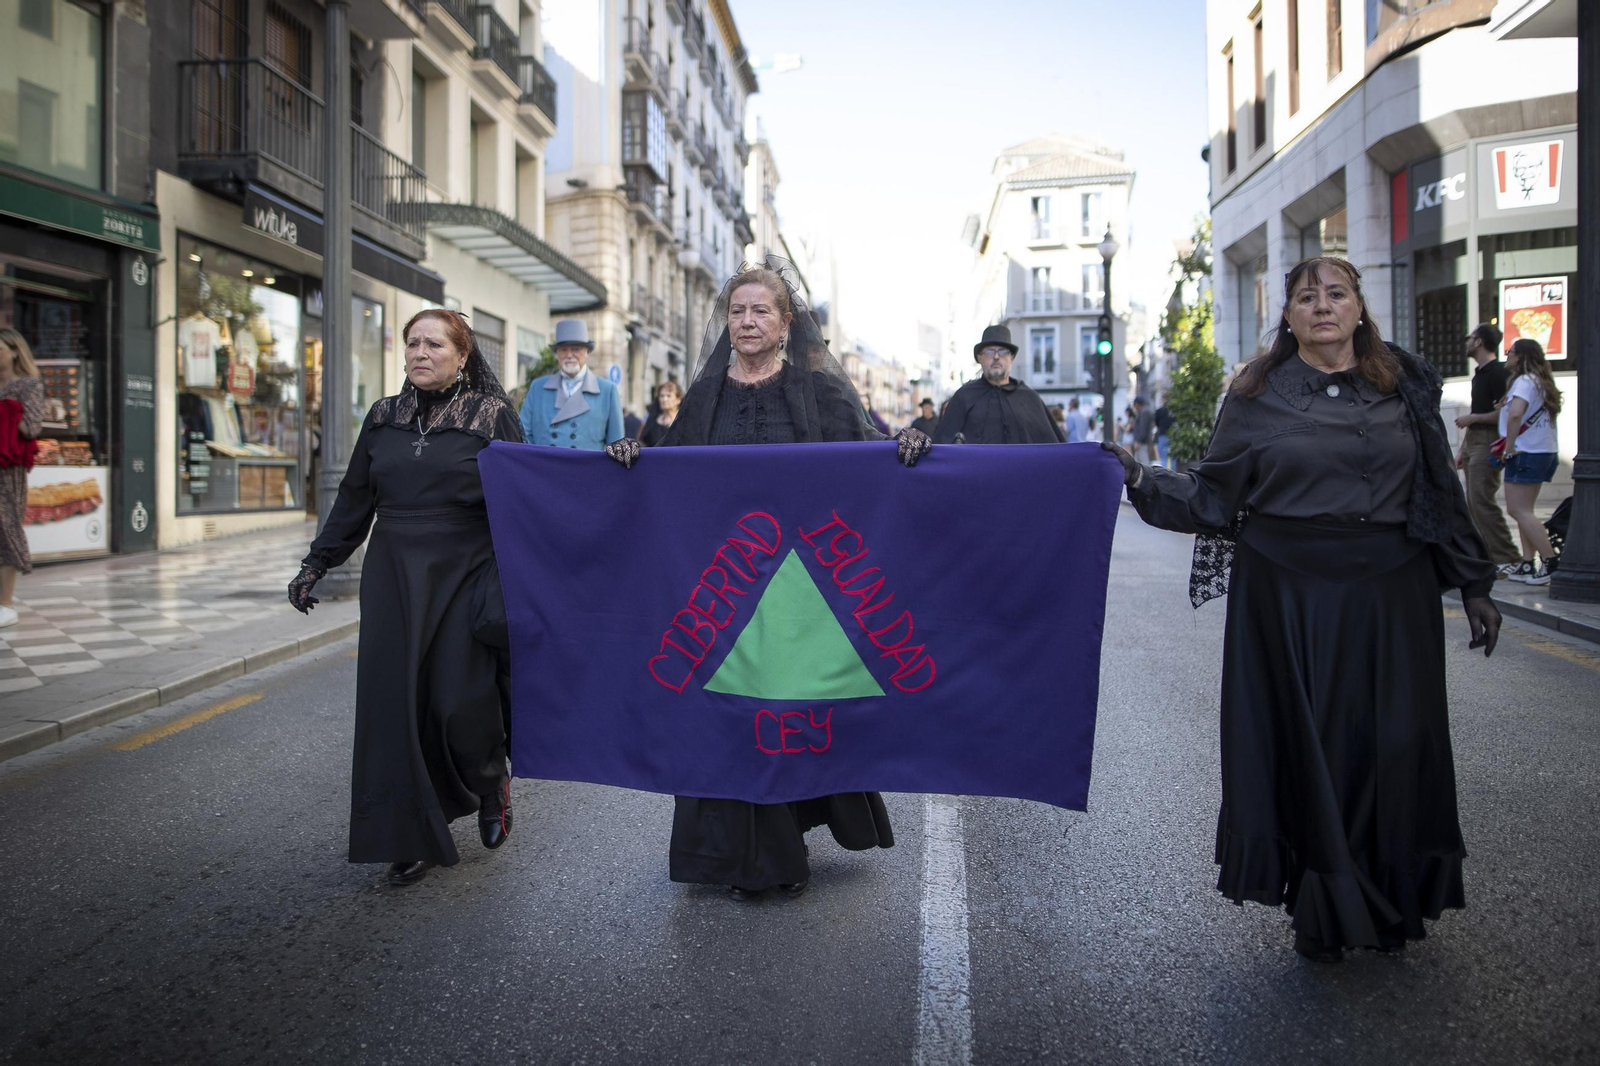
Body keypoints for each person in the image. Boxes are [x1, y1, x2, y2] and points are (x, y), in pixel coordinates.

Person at [1104, 256, 1500, 962]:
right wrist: (1137, 476)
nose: (1323, 306)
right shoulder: (1257, 394)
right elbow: (1213, 495)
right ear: (1286, 315)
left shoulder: (1404, 381)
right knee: (1315, 750)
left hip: (1393, 595)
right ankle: (1324, 903)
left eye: (1337, 294)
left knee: (1395, 744)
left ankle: (1390, 893)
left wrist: (1474, 584)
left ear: (1358, 308)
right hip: (1289, 595)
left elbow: (1439, 485)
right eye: (1307, 297)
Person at [605, 257, 930, 900]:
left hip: (796, 587)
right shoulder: (706, 395)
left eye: (761, 311)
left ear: (785, 324)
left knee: (780, 712)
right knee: (726, 713)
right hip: (724, 584)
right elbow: (670, 476)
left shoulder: (820, 390)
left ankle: (779, 847)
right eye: (737, 311)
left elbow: (866, 454)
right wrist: (633, 458)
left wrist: (904, 450)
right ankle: (739, 854)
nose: (747, 321)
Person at [288, 309, 525, 887]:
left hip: (466, 574)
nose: (421, 352)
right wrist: (317, 561)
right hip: (393, 576)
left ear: (462, 356)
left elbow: (530, 491)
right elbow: (355, 497)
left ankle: (490, 781)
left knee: (460, 702)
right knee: (396, 709)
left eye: (435, 344)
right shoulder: (383, 416)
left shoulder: (490, 416)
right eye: (413, 343)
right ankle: (410, 834)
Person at [1453, 325, 1520, 576]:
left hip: (1490, 439)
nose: (1466, 342)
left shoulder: (1499, 373)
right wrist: (1463, 449)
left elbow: (1506, 414)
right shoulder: (1479, 375)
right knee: (1473, 501)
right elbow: (1479, 412)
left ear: (1479, 342)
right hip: (1474, 440)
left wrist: (1473, 419)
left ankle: (1508, 557)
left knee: (1482, 500)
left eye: (1469, 338)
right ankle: (1489, 557)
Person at [1498, 337, 1564, 585]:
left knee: (1518, 510)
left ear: (1520, 357)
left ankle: (1550, 561)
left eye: (1510, 351)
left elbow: (1516, 414)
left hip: (1525, 452)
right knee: (1525, 510)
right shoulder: (1540, 382)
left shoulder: (1525, 381)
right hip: (1542, 451)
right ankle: (1527, 563)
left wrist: (1509, 448)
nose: (1507, 355)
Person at [932, 325, 1066, 444]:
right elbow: (942, 445)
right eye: (989, 352)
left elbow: (1053, 449)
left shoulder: (1029, 398)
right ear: (979, 358)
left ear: (1011, 357)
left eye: (1002, 351)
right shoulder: (963, 397)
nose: (996, 357)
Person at [519, 320, 624, 450]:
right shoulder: (538, 388)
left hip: (586, 464)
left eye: (576, 349)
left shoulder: (607, 390)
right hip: (545, 463)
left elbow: (616, 446)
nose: (569, 355)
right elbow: (523, 435)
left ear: (587, 352)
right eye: (563, 350)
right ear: (557, 354)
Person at [0, 329, 43, 630]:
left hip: (7, 469)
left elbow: (32, 426)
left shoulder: (27, 385)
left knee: (6, 530)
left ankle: (5, 604)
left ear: (15, 351)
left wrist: (7, 412)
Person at [639, 379, 682, 446]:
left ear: (678, 399)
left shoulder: (683, 420)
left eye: (668, 396)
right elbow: (643, 443)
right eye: (662, 396)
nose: (664, 399)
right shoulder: (652, 421)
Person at [1130, 396, 1157, 463]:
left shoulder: (1144, 412)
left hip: (1142, 442)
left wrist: (1139, 440)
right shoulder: (1145, 411)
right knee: (1139, 460)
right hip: (1143, 441)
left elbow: (1143, 427)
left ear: (1137, 404)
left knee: (1143, 460)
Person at [1154, 402, 1174, 467]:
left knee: (1163, 458)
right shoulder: (1174, 411)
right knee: (1173, 459)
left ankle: (1164, 472)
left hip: (1162, 435)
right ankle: (1174, 472)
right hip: (1172, 435)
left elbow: (1156, 422)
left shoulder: (1159, 411)